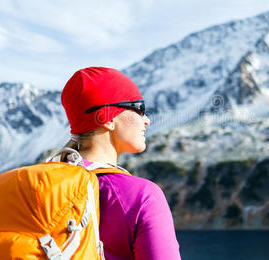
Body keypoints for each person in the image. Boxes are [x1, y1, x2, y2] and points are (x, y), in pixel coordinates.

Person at [60, 66, 181, 260]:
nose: (147, 120)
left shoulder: (39, 186)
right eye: (139, 108)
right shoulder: (143, 196)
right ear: (107, 118)